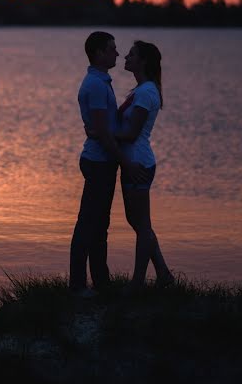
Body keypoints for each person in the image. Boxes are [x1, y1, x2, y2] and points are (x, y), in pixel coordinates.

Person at [70, 32, 145, 295]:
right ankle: (78, 286)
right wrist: (126, 162)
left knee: (100, 223)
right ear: (99, 53)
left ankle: (101, 282)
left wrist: (127, 105)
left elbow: (103, 124)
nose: (117, 53)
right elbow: (103, 133)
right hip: (98, 162)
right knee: (88, 224)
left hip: (102, 161)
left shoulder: (101, 82)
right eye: (112, 49)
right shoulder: (96, 85)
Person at [114, 40, 174, 289]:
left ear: (143, 62)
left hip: (138, 163)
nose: (126, 57)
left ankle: (138, 282)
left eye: (132, 54)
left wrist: (100, 133)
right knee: (137, 222)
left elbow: (131, 133)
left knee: (142, 225)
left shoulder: (147, 92)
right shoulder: (140, 90)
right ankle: (164, 275)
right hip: (132, 161)